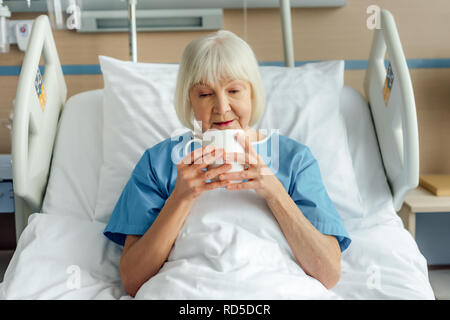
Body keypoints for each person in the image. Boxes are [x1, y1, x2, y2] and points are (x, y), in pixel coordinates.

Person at [104, 30, 351, 297]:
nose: (222, 107)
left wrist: (275, 192)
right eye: (204, 94)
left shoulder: (293, 159)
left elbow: (328, 272)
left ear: (252, 94)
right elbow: (133, 279)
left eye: (234, 90)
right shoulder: (160, 162)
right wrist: (181, 198)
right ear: (189, 99)